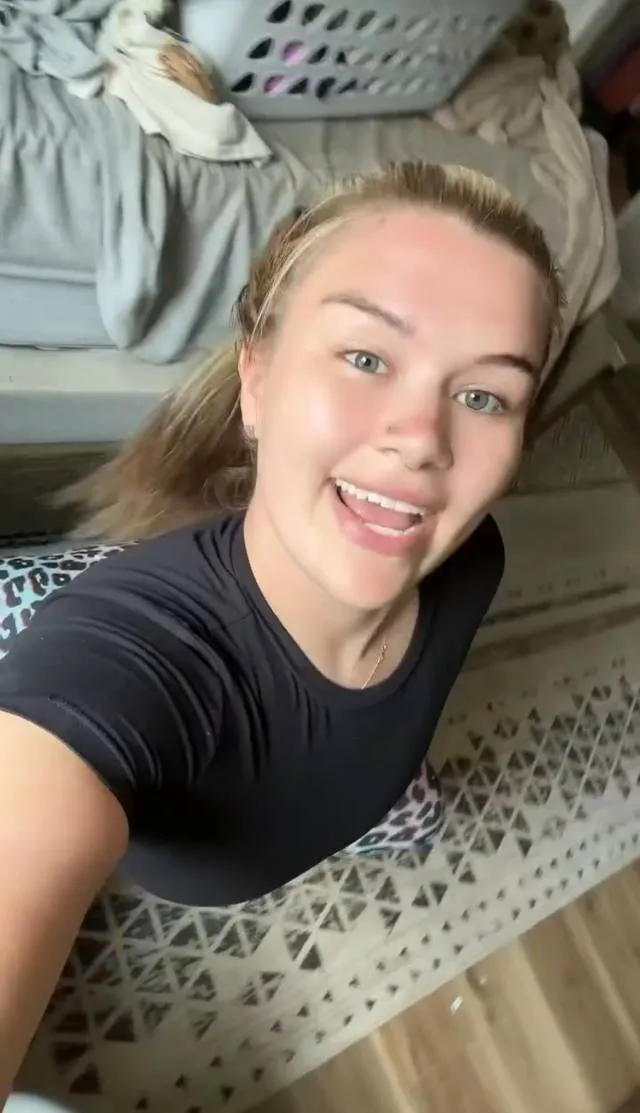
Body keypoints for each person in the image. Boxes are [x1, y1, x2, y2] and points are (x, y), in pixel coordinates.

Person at [0, 161, 562, 1102]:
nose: (422, 439)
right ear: (255, 379)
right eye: (367, 358)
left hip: (354, 791)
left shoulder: (474, 560)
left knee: (403, 804)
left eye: (483, 396)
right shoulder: (123, 665)